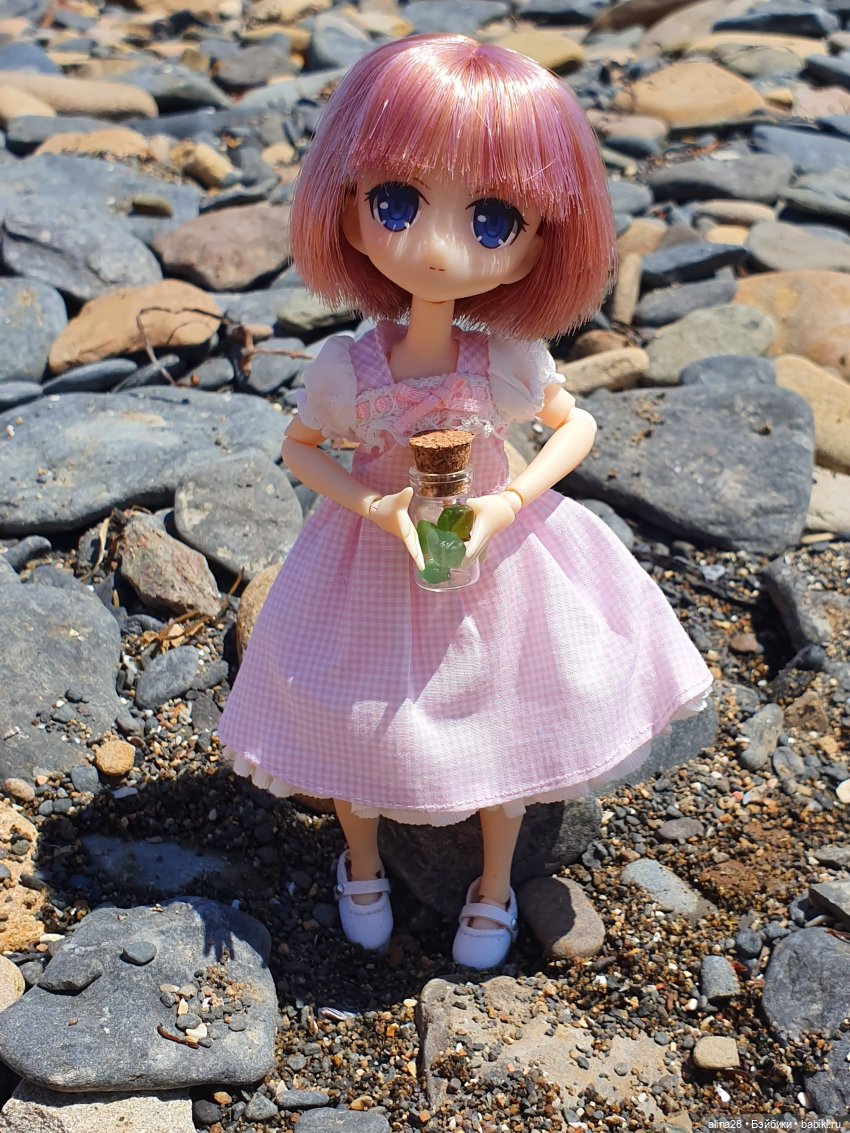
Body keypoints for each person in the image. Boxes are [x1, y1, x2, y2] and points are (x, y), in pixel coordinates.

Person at [218, 33, 713, 969]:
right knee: (351, 706)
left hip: (492, 550)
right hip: (376, 553)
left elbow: (575, 425)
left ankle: (492, 885)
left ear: (539, 246)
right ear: (347, 205)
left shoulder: (508, 361)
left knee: (509, 705)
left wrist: (509, 499)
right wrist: (376, 509)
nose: (438, 248)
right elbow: (300, 448)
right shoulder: (347, 369)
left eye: (492, 220)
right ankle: (362, 862)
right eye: (396, 204)